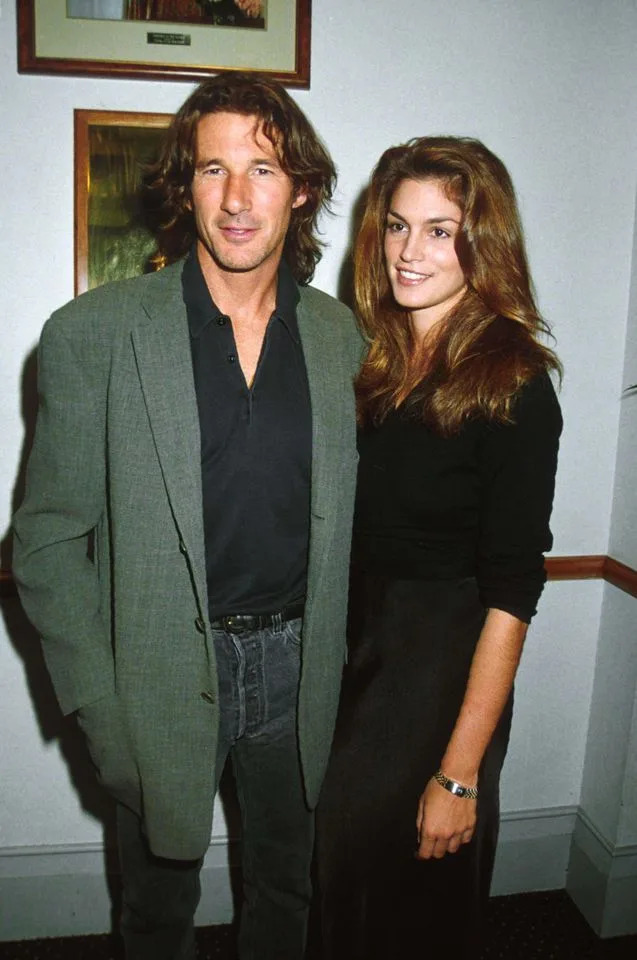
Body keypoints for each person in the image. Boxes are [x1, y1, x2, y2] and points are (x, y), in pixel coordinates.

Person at [12, 73, 360, 960]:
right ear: (185, 186)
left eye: (264, 169)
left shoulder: (343, 341)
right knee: (158, 909)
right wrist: (94, 705)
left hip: (298, 667)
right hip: (159, 670)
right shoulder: (93, 333)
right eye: (213, 170)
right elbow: (48, 543)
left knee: (288, 887)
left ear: (303, 188)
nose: (238, 199)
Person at [313, 137, 562, 958]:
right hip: (362, 649)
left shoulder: (514, 381)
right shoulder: (376, 361)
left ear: (482, 244)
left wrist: (459, 773)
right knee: (344, 883)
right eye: (395, 226)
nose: (408, 252)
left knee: (406, 900)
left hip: (439, 670)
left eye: (439, 230)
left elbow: (510, 593)